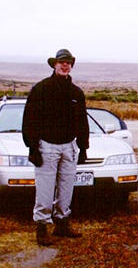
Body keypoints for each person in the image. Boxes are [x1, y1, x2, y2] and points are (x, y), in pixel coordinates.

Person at [22, 49, 89, 246]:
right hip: (47, 147)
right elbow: (29, 120)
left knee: (67, 188)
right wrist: (33, 147)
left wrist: (83, 147)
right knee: (45, 189)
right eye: (61, 62)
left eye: (68, 62)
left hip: (69, 147)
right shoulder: (41, 89)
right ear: (54, 64)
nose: (65, 65)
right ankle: (42, 228)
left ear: (71, 65)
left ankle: (62, 224)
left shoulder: (76, 93)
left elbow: (82, 122)